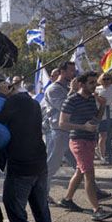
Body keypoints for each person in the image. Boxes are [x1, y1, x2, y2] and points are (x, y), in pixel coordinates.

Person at [0, 80, 56, 222]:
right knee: (42, 214)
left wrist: (0, 96)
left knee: (16, 214)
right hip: (40, 164)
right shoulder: (32, 102)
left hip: (21, 167)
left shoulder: (12, 103)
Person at [58, 72, 112, 220]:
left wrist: (102, 105)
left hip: (90, 140)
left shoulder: (91, 98)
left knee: (80, 171)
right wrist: (84, 127)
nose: (95, 85)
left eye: (95, 82)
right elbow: (62, 124)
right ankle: (97, 210)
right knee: (89, 174)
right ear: (81, 84)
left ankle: (67, 199)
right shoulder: (71, 100)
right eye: (91, 82)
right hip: (78, 141)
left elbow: (96, 120)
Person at [42, 61, 77, 201]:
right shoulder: (53, 89)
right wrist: (73, 91)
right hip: (57, 131)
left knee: (82, 165)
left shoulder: (67, 87)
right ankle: (42, 194)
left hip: (69, 131)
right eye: (71, 71)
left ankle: (96, 192)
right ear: (62, 72)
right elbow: (64, 106)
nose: (73, 73)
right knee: (51, 166)